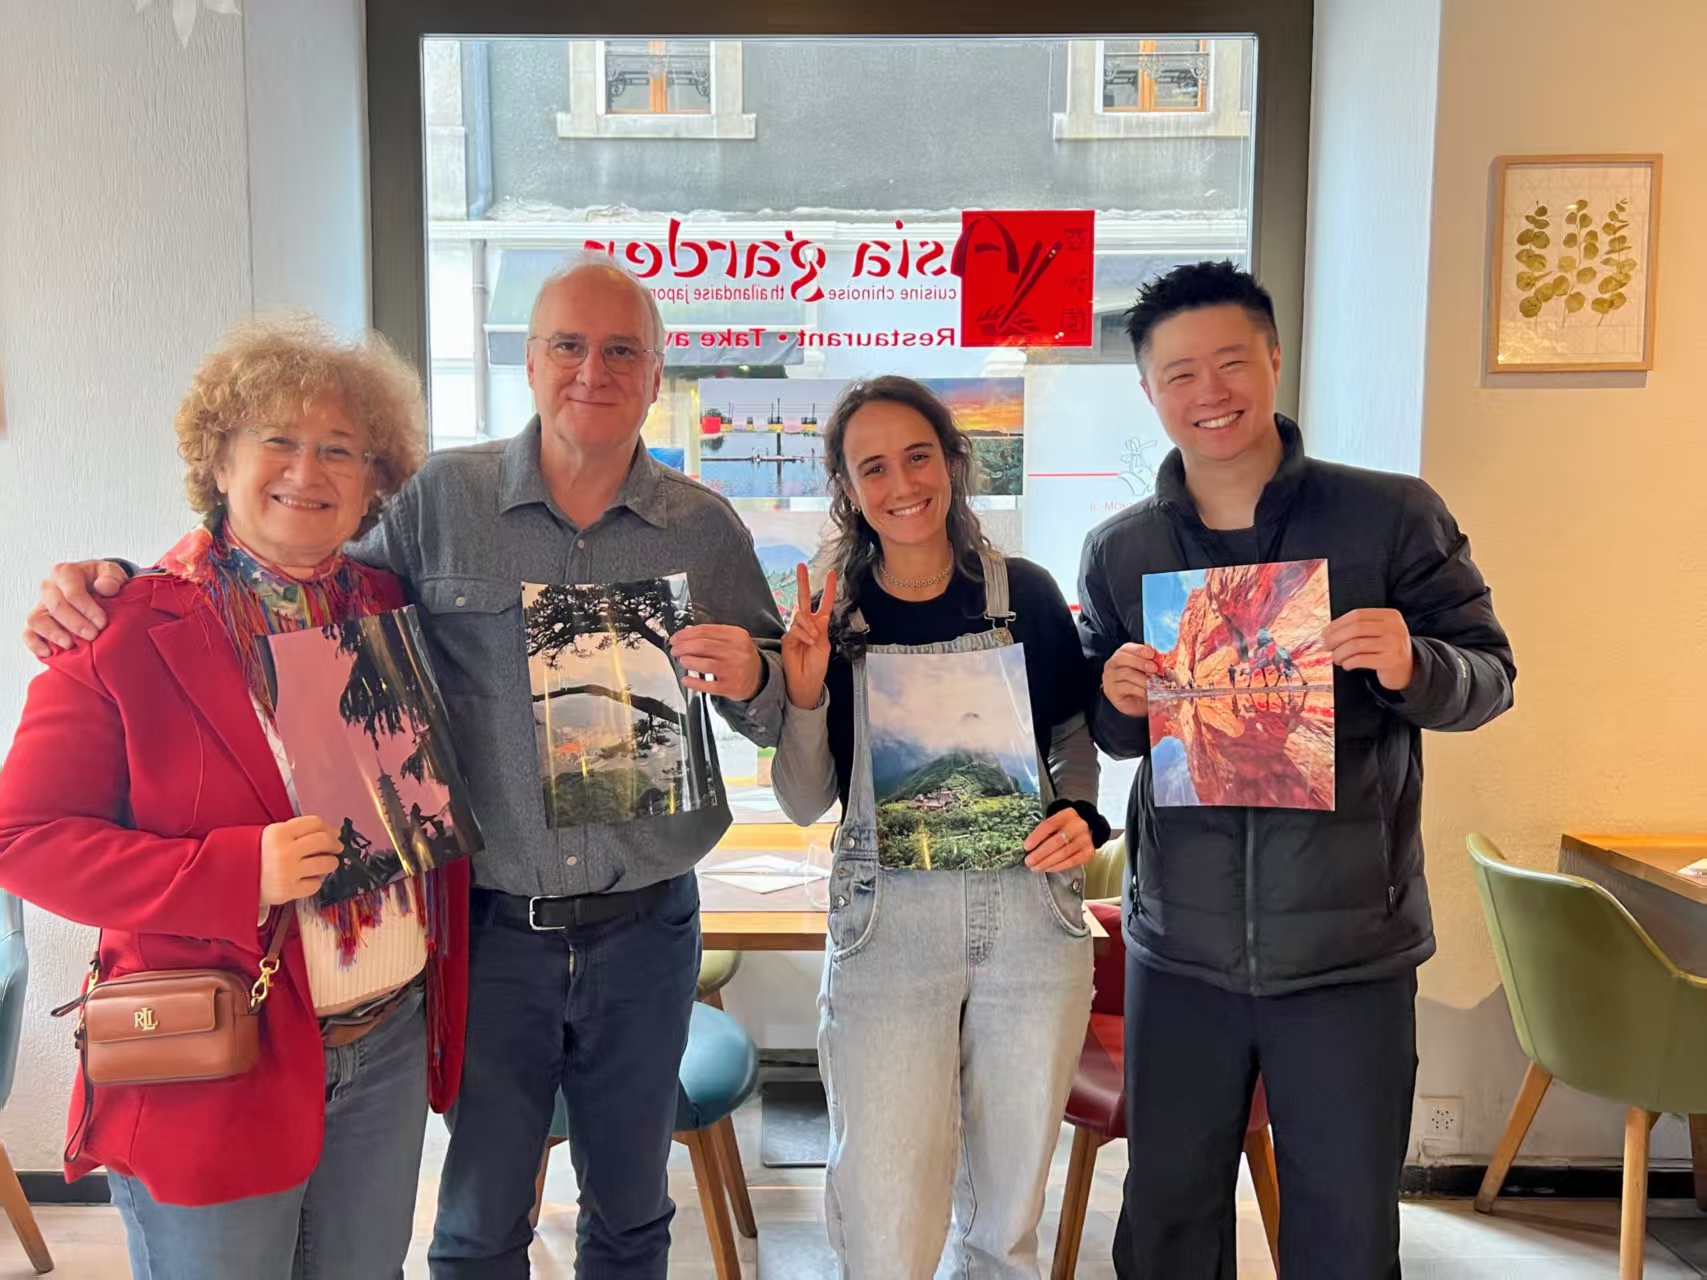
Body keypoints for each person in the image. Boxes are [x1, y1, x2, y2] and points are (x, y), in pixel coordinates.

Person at [26, 258, 789, 1278]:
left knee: (623, 1216)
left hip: (591, 946)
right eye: (567, 344)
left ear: (656, 373)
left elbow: (769, 700)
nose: (592, 370)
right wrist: (109, 578)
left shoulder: (693, 528)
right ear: (529, 361)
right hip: (440, 951)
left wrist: (759, 675)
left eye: (339, 450)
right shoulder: (438, 505)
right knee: (475, 1229)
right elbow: (256, 567)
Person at [0, 315, 471, 1279]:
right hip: (214, 1058)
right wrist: (236, 870)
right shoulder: (121, 628)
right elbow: (22, 837)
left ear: (374, 480)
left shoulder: (390, 609)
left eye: (340, 447)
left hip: (386, 1042)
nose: (308, 469)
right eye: (278, 439)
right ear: (218, 460)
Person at [1078, 261, 1516, 1279]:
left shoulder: (1390, 516)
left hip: (1347, 952)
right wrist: (1119, 697)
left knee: (1347, 1232)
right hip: (1177, 951)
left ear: (1275, 358)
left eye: (1232, 361)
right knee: (1168, 1220)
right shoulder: (1121, 549)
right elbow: (1109, 733)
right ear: (1148, 389)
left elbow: (1489, 678)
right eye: (1180, 373)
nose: (1210, 391)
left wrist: (1413, 662)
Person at [770, 376, 1108, 1279]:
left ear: (953, 463)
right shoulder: (829, 613)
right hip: (887, 928)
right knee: (887, 1217)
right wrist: (802, 690)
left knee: (1006, 1222)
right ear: (847, 489)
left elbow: (1071, 736)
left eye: (918, 456)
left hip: (1031, 922)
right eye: (872, 467)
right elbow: (804, 799)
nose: (901, 483)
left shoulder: (1023, 594)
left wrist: (1078, 814)